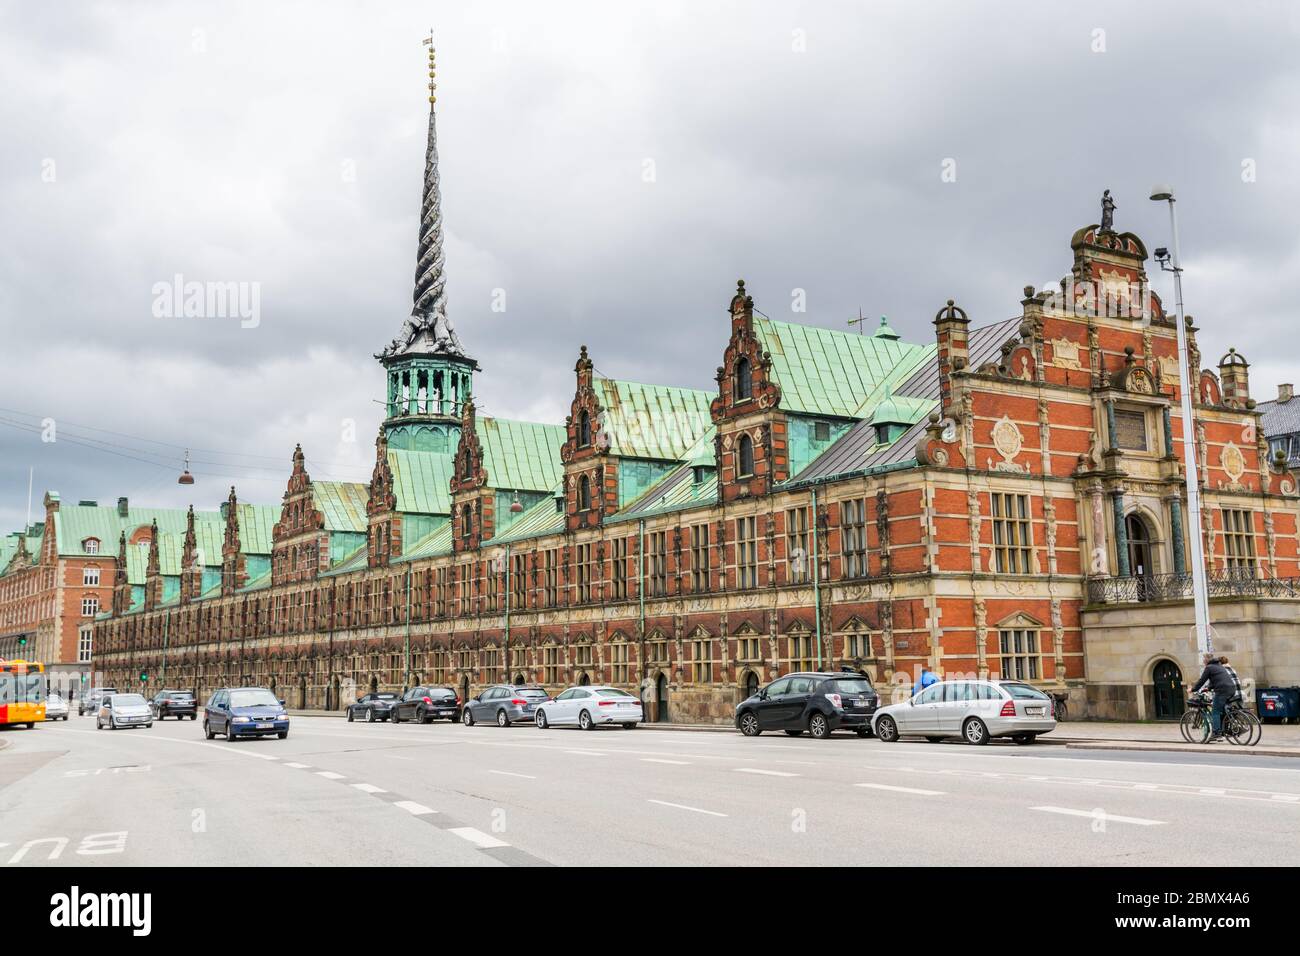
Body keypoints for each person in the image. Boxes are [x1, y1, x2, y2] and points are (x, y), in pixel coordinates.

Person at [1190, 653, 1236, 742]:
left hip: (1222, 690)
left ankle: (1216, 733)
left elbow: (1201, 680)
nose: (1203, 661)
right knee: (1222, 710)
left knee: (1215, 711)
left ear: (1207, 660)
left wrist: (1193, 689)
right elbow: (1215, 680)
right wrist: (1208, 688)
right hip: (1231, 689)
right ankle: (1226, 729)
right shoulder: (1219, 666)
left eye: (1203, 659)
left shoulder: (1209, 667)